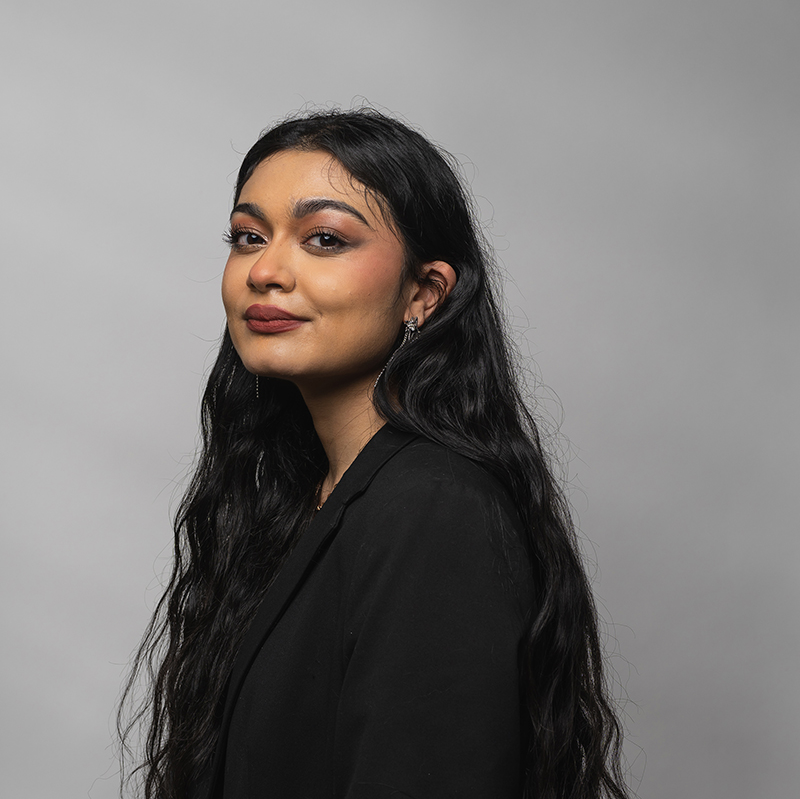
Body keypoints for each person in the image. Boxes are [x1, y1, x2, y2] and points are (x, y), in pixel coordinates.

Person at [119, 108, 630, 799]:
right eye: (247, 236)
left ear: (424, 293)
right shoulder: (302, 500)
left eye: (324, 238)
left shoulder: (432, 508)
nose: (265, 270)